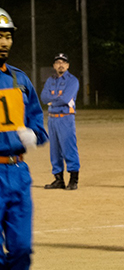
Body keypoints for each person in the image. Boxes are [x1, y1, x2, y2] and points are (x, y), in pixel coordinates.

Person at [0, 7, 49, 270]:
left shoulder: (19, 79)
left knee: (21, 247)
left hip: (17, 172)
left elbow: (39, 127)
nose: (4, 42)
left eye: (7, 35)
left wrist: (33, 135)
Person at [40, 53, 80, 190]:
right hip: (52, 119)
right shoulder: (50, 80)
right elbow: (44, 97)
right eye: (58, 62)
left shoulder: (73, 81)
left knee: (69, 148)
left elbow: (65, 99)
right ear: (54, 66)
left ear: (68, 65)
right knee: (54, 151)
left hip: (65, 119)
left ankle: (73, 180)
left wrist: (52, 102)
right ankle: (58, 179)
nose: (60, 65)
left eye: (63, 62)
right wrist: (55, 100)